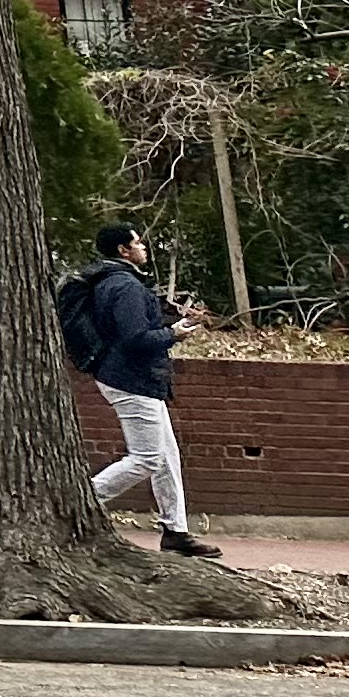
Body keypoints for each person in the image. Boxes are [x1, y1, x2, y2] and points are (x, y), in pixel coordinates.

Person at [79, 221, 220, 558]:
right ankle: (79, 500)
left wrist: (174, 325)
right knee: (146, 459)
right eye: (138, 243)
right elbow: (136, 339)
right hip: (131, 379)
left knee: (167, 456)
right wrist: (174, 334)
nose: (143, 247)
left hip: (135, 378)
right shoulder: (124, 286)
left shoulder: (113, 282)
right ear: (123, 250)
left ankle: (176, 531)